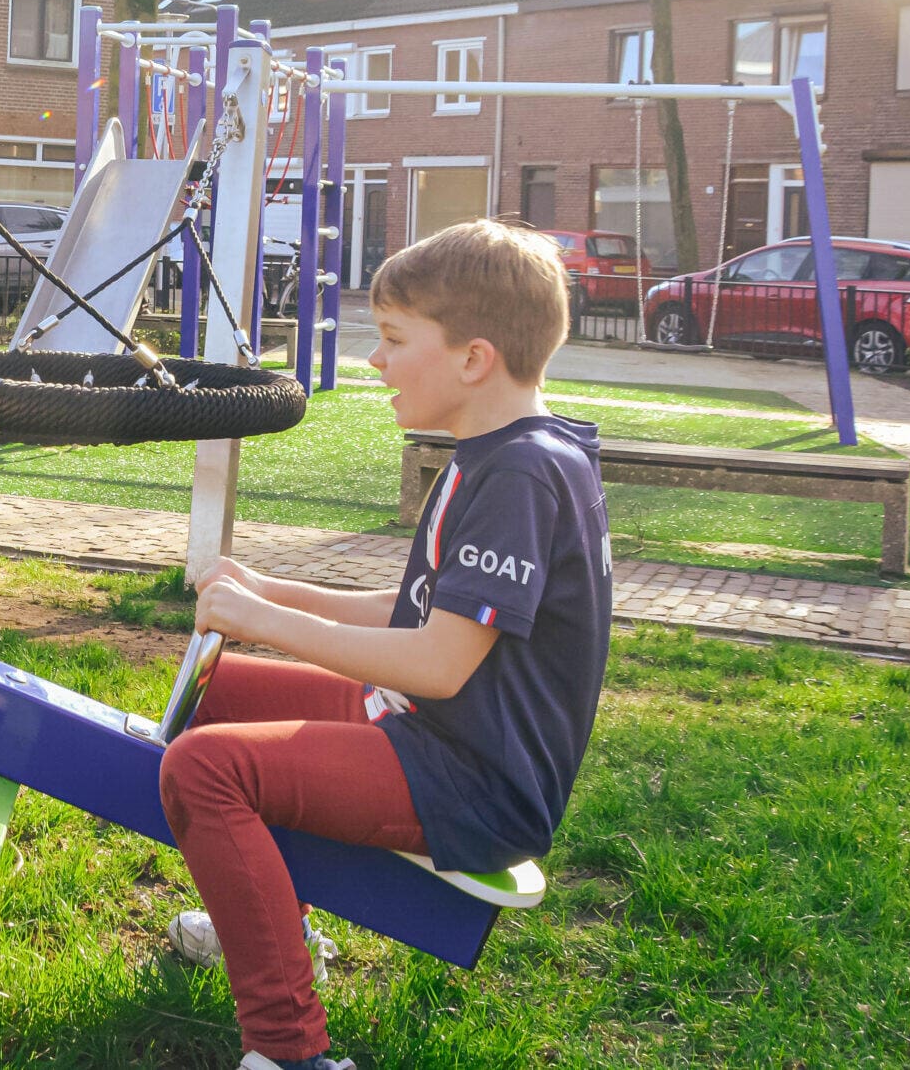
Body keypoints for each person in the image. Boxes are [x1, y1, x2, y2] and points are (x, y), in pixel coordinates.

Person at [160, 220, 613, 1070]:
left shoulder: (518, 475)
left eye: (395, 339)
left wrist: (268, 622)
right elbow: (414, 610)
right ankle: (265, 925)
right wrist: (269, 589)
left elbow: (438, 664)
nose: (375, 359)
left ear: (473, 359)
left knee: (203, 768)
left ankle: (290, 1051)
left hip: (472, 777)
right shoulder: (501, 455)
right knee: (215, 694)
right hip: (434, 731)